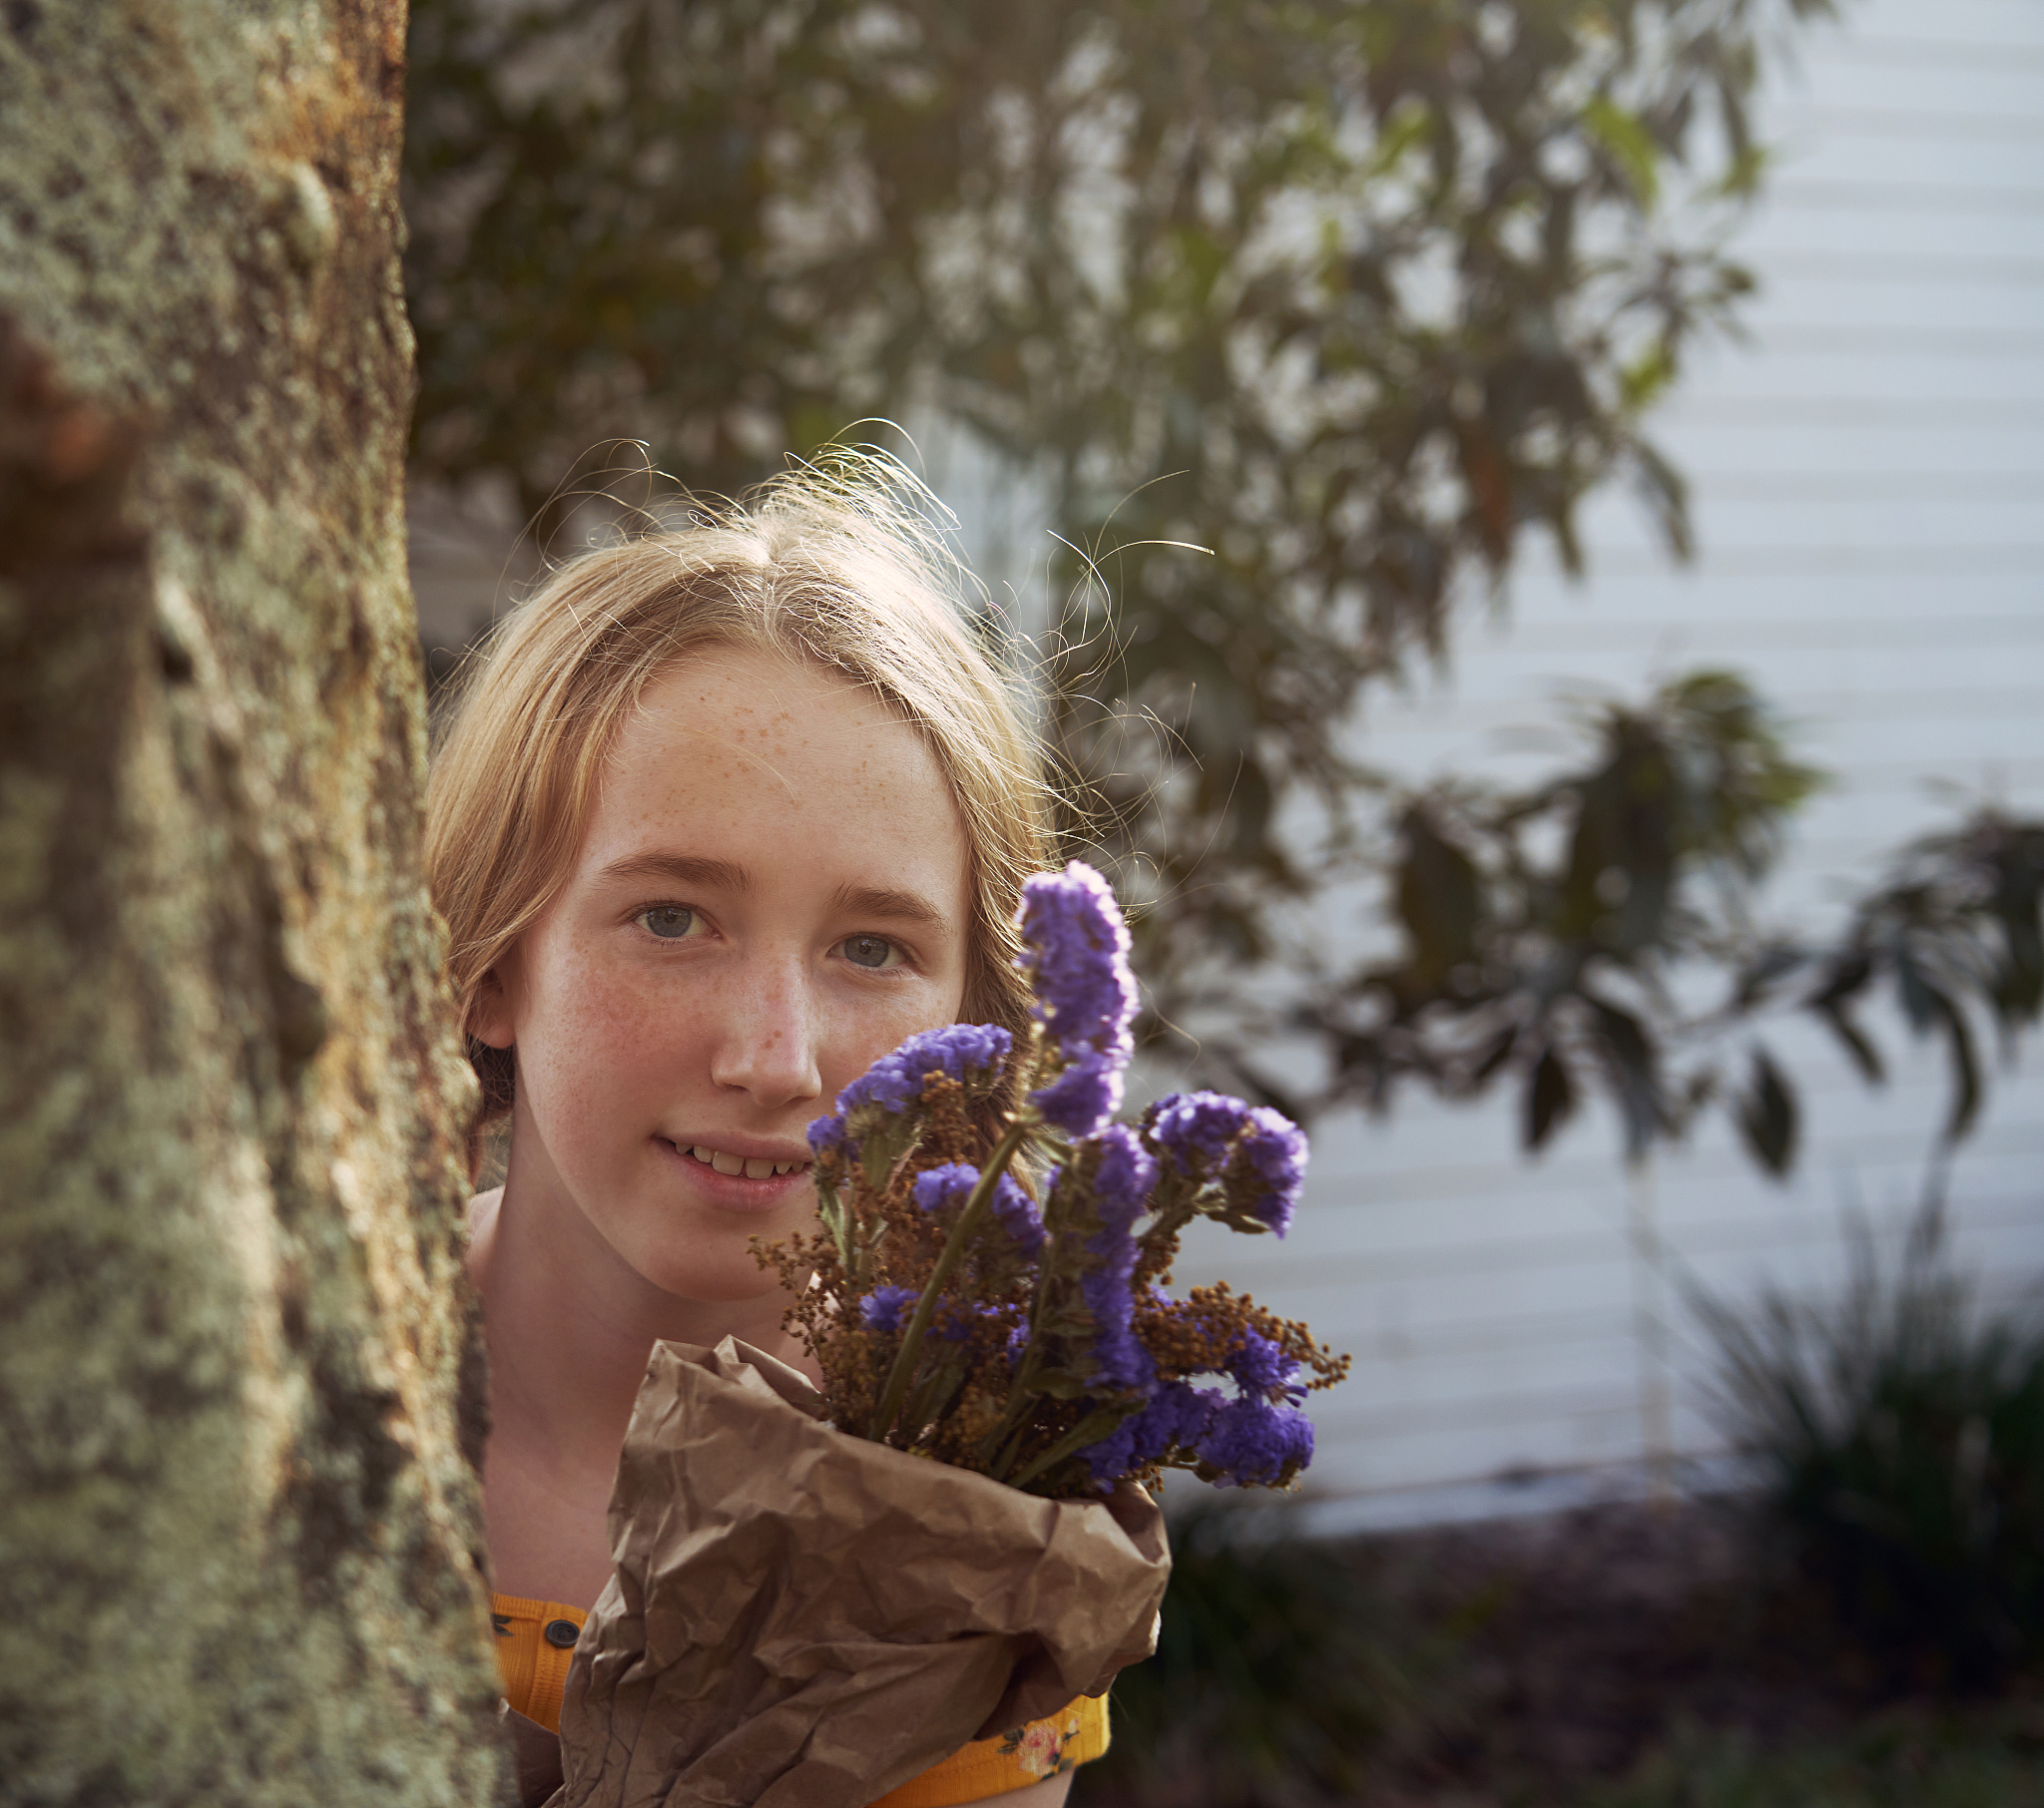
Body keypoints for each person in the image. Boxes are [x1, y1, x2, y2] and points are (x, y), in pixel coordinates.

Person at [424, 458, 1105, 1806]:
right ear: (493, 960)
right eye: (672, 919)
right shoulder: (270, 1396)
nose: (776, 1059)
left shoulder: (979, 1508)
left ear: (974, 1012)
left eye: (872, 946)